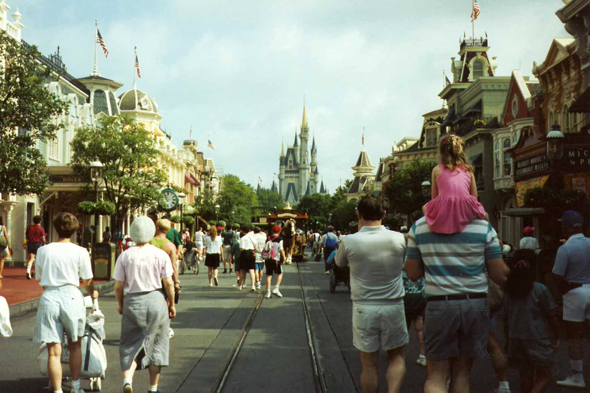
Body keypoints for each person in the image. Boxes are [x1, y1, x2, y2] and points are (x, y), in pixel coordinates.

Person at [406, 214, 509, 393]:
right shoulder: (483, 227)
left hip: (439, 304)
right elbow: (500, 275)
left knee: (436, 376)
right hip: (474, 303)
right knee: (462, 373)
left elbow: (413, 274)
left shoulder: (420, 226)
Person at [335, 196, 408, 393]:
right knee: (397, 358)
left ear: (359, 214)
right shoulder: (399, 238)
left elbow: (339, 263)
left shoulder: (349, 241)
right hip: (393, 305)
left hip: (363, 308)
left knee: (368, 364)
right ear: (384, 214)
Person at [33, 213, 98, 393]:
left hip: (50, 296)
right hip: (71, 296)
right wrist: (93, 293)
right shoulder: (81, 251)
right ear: (76, 229)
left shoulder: (43, 250)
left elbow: (40, 276)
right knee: (75, 344)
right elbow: (87, 280)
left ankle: (57, 390)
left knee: (54, 350)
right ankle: (76, 387)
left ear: (55, 228)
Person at [114, 216, 176, 393]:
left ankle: (127, 380)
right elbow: (169, 283)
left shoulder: (125, 256)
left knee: (129, 343)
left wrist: (120, 304)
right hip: (156, 299)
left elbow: (118, 285)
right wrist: (171, 304)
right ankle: (153, 387)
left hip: (133, 300)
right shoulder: (160, 254)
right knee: (157, 343)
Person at [503, 250, 560, 393]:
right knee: (544, 375)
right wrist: (557, 335)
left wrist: (507, 339)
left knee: (525, 374)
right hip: (538, 338)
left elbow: (505, 318)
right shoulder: (540, 289)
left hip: (516, 337)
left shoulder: (508, 290)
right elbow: (551, 315)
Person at [552, 210, 590, 388]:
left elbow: (557, 276)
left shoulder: (565, 248)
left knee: (575, 336)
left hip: (575, 293)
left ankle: (577, 376)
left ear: (566, 227)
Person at [423, 133, 487, 234]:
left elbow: (434, 197)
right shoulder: (468, 170)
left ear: (441, 152)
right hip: (465, 206)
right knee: (485, 215)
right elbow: (474, 196)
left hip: (444, 206)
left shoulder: (437, 169)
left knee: (425, 208)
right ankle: (495, 237)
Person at [402, 271, 427, 367]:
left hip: (405, 295)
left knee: (403, 327)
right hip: (421, 294)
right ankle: (423, 356)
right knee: (420, 327)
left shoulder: (400, 256)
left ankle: (399, 357)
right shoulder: (419, 256)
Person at [263, 225, 286, 299]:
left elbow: (265, 249)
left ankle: (268, 292)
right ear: (279, 231)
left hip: (268, 259)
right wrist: (284, 257)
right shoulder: (280, 239)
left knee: (269, 275)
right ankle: (276, 288)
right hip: (276, 259)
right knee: (280, 273)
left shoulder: (268, 238)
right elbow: (281, 249)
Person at [24, 215, 44, 280]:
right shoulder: (40, 229)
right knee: (37, 259)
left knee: (31, 258)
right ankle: (36, 273)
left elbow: (26, 236)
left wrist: (25, 243)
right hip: (37, 244)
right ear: (40, 221)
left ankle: (28, 271)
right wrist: (44, 244)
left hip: (30, 244)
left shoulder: (29, 227)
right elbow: (43, 238)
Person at [239, 224, 258, 292]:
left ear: (243, 231)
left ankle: (241, 285)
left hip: (244, 253)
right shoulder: (252, 237)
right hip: (252, 253)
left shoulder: (243, 238)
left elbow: (241, 248)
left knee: (242, 270)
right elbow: (255, 246)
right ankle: (253, 285)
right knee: (251, 270)